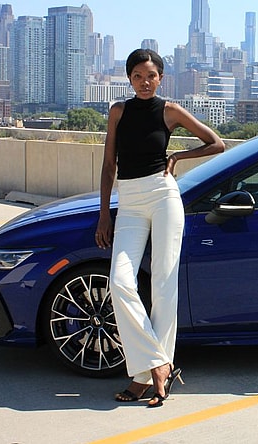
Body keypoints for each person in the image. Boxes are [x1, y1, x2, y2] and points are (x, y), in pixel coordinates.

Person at [95, 48, 224, 408]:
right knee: (120, 282)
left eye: (151, 76)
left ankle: (144, 377)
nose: (145, 82)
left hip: (164, 196)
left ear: (161, 77)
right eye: (138, 76)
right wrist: (105, 214)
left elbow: (216, 143)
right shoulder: (118, 112)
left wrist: (179, 156)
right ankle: (157, 363)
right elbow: (109, 166)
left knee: (164, 284)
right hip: (130, 202)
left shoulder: (169, 111)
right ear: (129, 79)